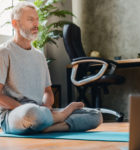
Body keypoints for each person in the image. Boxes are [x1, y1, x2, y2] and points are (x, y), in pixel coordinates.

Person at [0, 2, 103, 135]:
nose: (36, 24)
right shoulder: (4, 52)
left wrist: (46, 107)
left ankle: (47, 126)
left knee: (95, 115)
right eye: (30, 20)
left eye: (37, 19)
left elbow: (48, 92)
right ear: (15, 24)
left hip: (41, 112)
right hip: (14, 114)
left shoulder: (39, 56)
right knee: (31, 113)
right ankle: (60, 116)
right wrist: (31, 110)